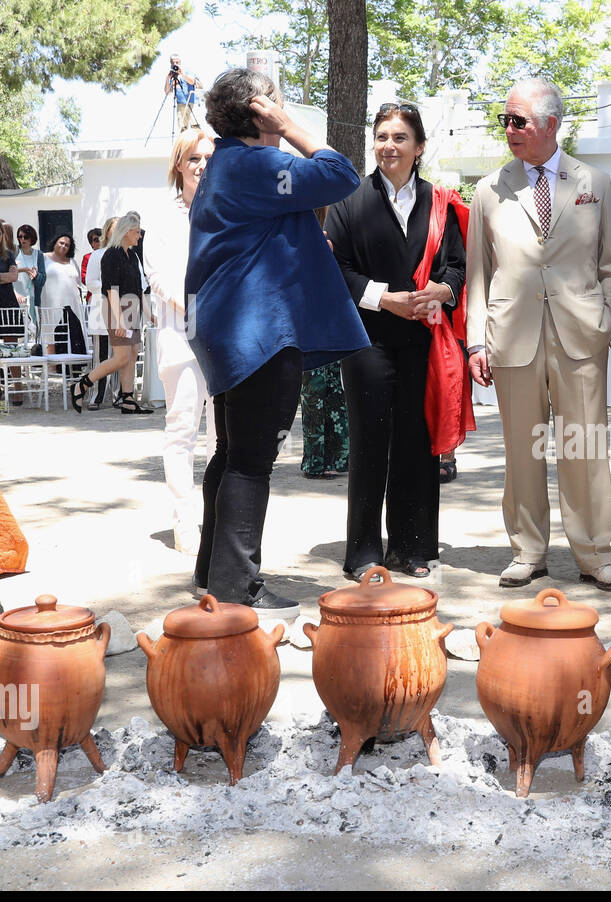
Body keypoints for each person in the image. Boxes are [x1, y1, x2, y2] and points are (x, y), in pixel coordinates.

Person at [185, 68, 367, 618]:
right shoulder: (258, 162)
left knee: (233, 451)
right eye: (276, 106)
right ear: (261, 111)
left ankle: (211, 573)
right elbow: (340, 173)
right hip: (257, 331)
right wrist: (290, 127)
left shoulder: (226, 166)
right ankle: (238, 586)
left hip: (228, 329)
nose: (283, 112)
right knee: (251, 460)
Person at [466, 77, 611, 591]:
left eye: (519, 121)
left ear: (551, 124)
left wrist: (609, 319)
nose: (509, 129)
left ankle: (596, 553)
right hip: (512, 336)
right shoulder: (488, 190)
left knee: (584, 448)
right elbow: (478, 274)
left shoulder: (595, 184)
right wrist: (476, 340)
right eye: (505, 120)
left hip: (581, 335)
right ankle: (528, 551)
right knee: (522, 451)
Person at [325, 102, 468, 579]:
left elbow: (456, 266)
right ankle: (364, 550)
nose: (389, 145)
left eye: (400, 137)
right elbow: (335, 269)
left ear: (419, 147)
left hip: (424, 338)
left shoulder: (440, 203)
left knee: (416, 439)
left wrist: (440, 291)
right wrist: (386, 299)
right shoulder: (349, 201)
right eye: (382, 136)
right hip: (366, 338)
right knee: (370, 440)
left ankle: (411, 546)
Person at [144, 126, 217, 554]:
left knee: (222, 436)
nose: (202, 165)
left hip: (227, 339)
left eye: (208, 157)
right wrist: (198, 307)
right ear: (179, 164)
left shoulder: (227, 210)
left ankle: (219, 519)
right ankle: (185, 521)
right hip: (182, 336)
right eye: (194, 158)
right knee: (183, 430)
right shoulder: (163, 215)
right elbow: (160, 276)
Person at [70, 212, 153, 415]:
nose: (139, 236)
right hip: (116, 308)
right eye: (136, 232)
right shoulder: (111, 255)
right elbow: (111, 290)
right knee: (121, 356)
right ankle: (82, 384)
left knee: (132, 355)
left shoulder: (131, 254)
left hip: (132, 308)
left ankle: (128, 399)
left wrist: (149, 313)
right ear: (126, 232)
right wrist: (118, 320)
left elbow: (139, 286)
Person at [81, 217, 118, 408]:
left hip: (125, 312)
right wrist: (112, 289)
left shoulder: (131, 254)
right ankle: (97, 395)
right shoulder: (98, 255)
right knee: (101, 356)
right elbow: (91, 283)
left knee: (123, 355)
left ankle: (120, 395)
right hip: (102, 311)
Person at [38, 233, 86, 354]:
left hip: (72, 304)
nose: (64, 246)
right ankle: (52, 370)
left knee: (73, 335)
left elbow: (78, 283)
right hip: (51, 303)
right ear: (55, 243)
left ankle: (72, 369)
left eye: (67, 245)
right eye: (61, 243)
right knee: (52, 335)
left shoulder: (72, 262)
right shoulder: (43, 258)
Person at [14, 224, 47, 328]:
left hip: (32, 298)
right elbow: (8, 274)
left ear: (32, 238)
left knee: (33, 328)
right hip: (16, 297)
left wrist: (36, 276)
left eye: (26, 237)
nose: (22, 239)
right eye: (20, 237)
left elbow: (42, 280)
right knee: (17, 330)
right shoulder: (14, 252)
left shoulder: (39, 255)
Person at [165, 54, 200, 132]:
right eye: (173, 63)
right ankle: (185, 143)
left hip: (192, 103)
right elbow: (167, 92)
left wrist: (182, 74)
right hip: (180, 104)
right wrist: (167, 78)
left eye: (177, 62)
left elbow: (191, 82)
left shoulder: (187, 70)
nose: (175, 64)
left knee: (195, 127)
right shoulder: (173, 75)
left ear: (180, 62)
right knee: (183, 129)